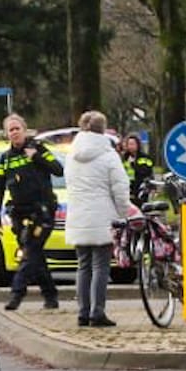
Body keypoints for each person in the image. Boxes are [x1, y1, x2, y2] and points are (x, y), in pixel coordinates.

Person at [65, 110, 133, 328]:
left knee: (83, 265)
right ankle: (98, 312)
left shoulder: (71, 154)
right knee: (101, 267)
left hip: (78, 216)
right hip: (102, 216)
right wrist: (124, 213)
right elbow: (120, 189)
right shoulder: (108, 155)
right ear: (103, 129)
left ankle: (82, 312)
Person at [0, 114, 63, 312]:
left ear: (25, 130)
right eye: (10, 130)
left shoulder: (37, 148)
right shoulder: (6, 159)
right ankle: (51, 296)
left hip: (42, 212)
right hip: (20, 214)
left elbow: (58, 170)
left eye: (17, 128)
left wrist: (37, 158)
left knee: (30, 252)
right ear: (6, 134)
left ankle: (17, 294)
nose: (14, 132)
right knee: (36, 255)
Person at [119, 133, 156, 204]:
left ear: (138, 145)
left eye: (132, 144)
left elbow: (147, 172)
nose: (130, 146)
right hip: (128, 189)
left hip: (141, 189)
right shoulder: (124, 158)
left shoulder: (145, 157)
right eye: (129, 144)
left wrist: (133, 164)